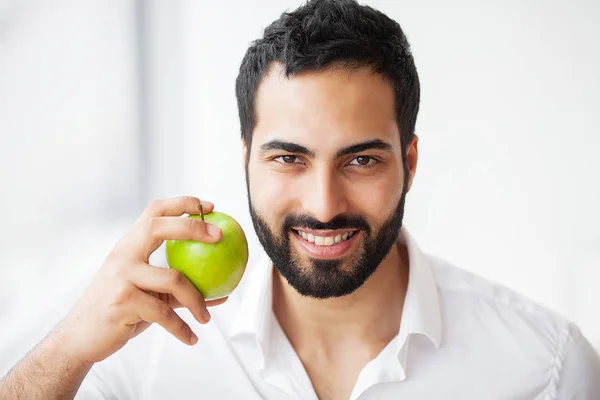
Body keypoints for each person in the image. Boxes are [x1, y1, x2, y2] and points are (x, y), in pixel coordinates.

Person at [2, 0, 599, 399]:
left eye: (361, 159)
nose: (324, 203)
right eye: (289, 158)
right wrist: (68, 348)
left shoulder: (547, 368)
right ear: (246, 161)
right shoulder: (142, 357)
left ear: (409, 162)